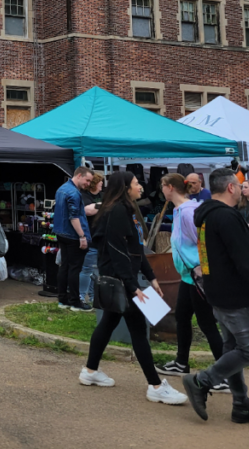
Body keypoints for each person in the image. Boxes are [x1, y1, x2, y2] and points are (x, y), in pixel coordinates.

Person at [79, 171, 188, 405]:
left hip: (123, 277)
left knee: (107, 323)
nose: (141, 187)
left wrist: (151, 277)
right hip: (121, 278)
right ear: (126, 187)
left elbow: (137, 247)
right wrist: (132, 285)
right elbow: (117, 251)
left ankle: (90, 371)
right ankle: (156, 386)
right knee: (138, 330)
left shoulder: (126, 210)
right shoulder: (117, 211)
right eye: (137, 183)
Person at [184, 167, 249, 425]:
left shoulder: (205, 215)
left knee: (233, 350)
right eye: (238, 186)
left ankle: (241, 406)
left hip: (217, 293)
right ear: (230, 188)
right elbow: (245, 261)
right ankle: (200, 381)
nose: (241, 190)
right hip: (236, 296)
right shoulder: (227, 217)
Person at [156, 174, 227, 389]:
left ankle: (223, 375)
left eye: (162, 186)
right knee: (183, 316)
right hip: (188, 277)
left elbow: (204, 242)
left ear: (170, 188)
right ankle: (181, 362)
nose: (161, 190)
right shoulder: (180, 210)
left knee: (207, 324)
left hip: (197, 277)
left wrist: (202, 269)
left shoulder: (188, 212)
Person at [53, 166, 93, 311]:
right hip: (73, 235)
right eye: (87, 180)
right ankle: (75, 302)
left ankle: (63, 299)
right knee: (75, 269)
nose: (88, 184)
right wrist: (82, 236)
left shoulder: (62, 189)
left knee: (65, 266)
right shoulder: (74, 193)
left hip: (61, 233)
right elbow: (74, 217)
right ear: (79, 175)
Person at [78, 172, 104, 307]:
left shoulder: (101, 196)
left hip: (101, 240)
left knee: (96, 271)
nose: (102, 187)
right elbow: (87, 211)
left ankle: (95, 298)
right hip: (89, 238)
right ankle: (81, 297)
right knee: (87, 269)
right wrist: (102, 205)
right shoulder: (84, 196)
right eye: (100, 184)